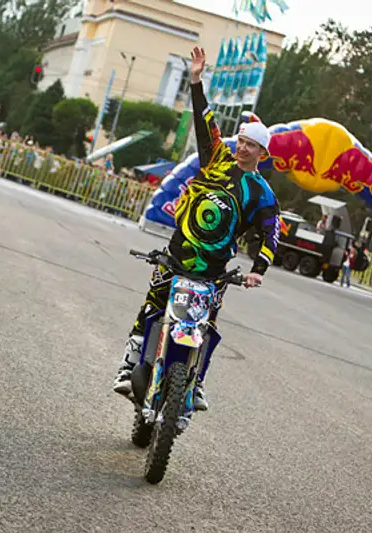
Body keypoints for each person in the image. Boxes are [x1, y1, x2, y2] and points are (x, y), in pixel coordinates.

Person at [112, 46, 281, 411]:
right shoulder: (217, 157)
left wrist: (258, 271)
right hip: (176, 256)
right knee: (152, 306)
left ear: (262, 154)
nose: (244, 148)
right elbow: (206, 121)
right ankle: (128, 368)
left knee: (205, 326)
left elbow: (271, 235)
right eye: (243, 141)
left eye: (252, 146)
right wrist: (195, 80)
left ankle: (196, 381)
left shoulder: (262, 194)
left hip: (213, 272)